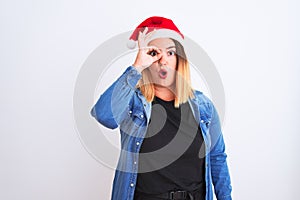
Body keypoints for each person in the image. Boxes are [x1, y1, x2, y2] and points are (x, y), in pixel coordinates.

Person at [90, 16, 232, 200]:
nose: (163, 61)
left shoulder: (203, 107)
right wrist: (136, 67)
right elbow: (104, 115)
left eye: (170, 53)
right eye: (154, 53)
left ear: (180, 60)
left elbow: (217, 158)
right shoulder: (133, 103)